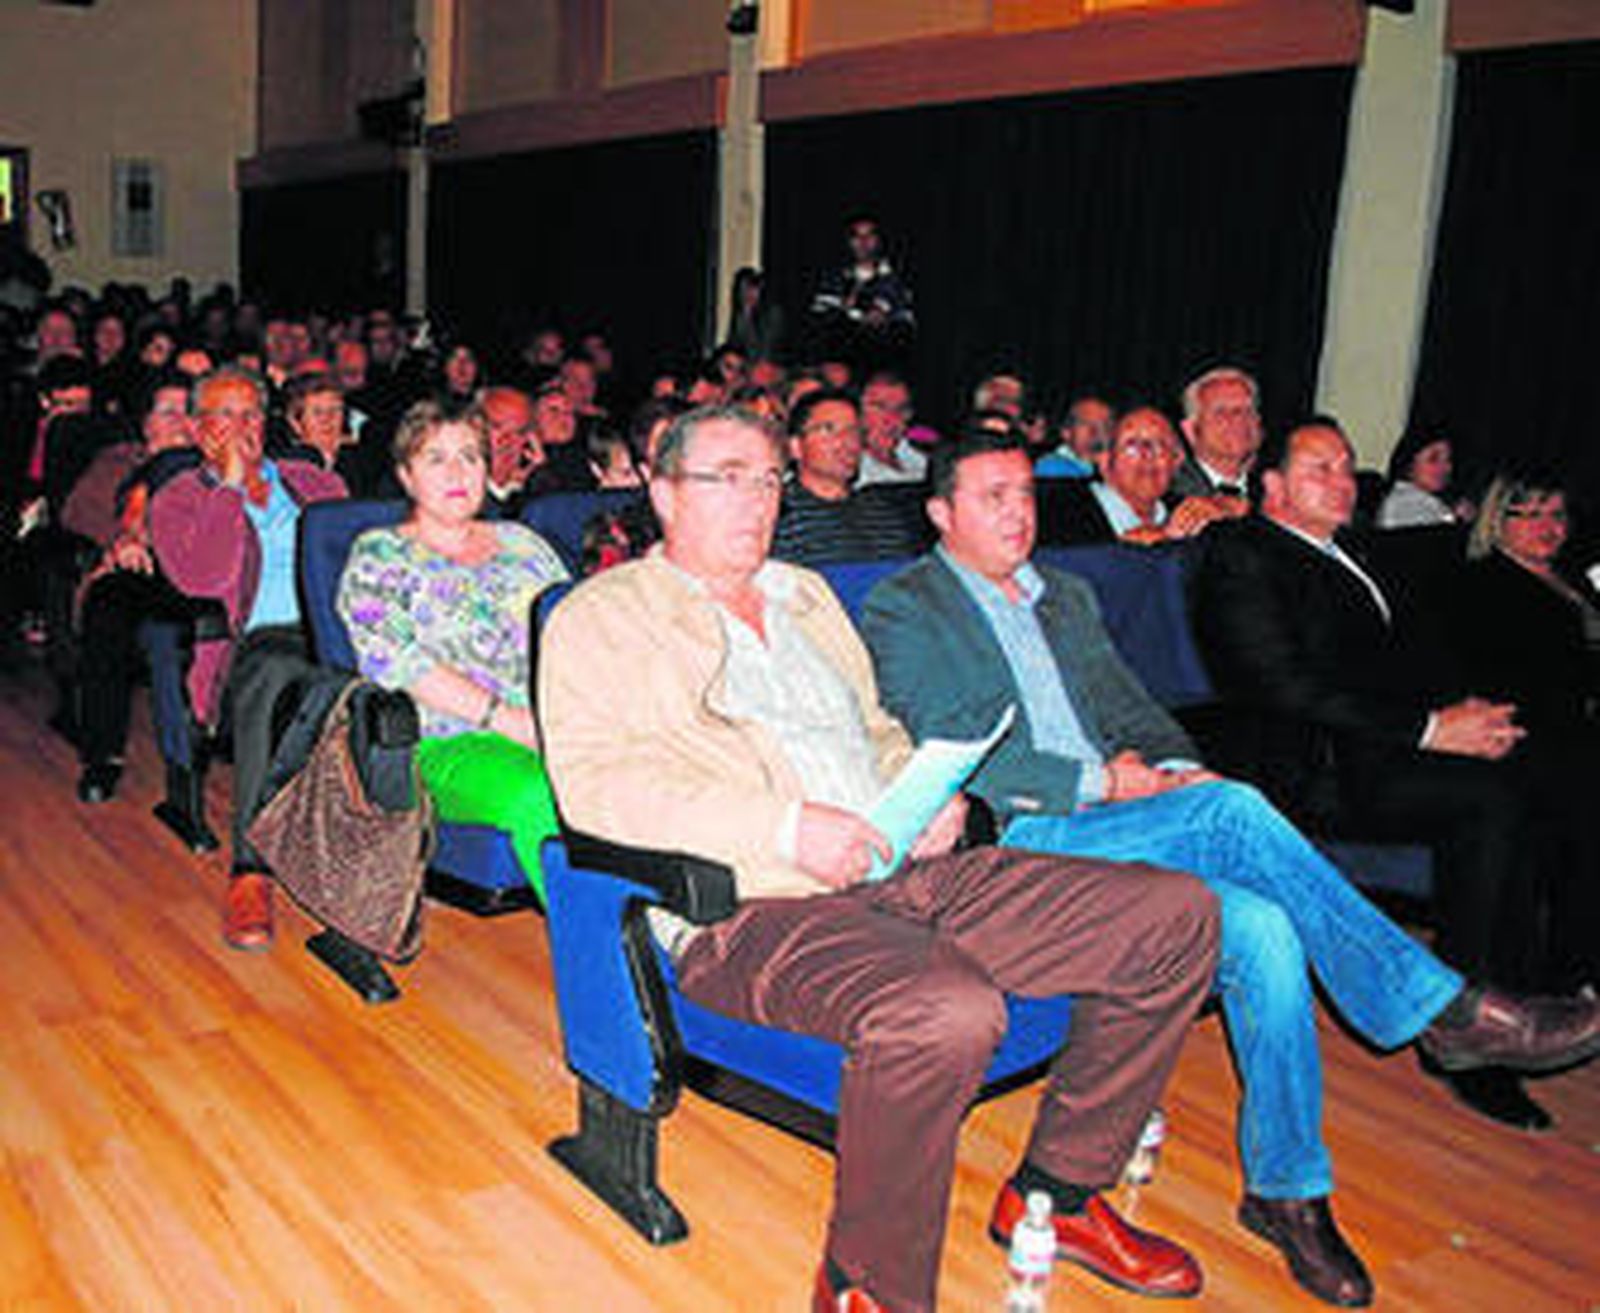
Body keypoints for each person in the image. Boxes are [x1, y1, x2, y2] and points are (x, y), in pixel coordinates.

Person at [859, 426, 1600, 1308]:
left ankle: (1287, 1189)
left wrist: (1178, 767)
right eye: (993, 497)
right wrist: (1113, 782)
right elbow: (962, 752)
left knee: (1264, 925)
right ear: (941, 513)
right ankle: (1438, 1008)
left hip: (1119, 817)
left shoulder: (1063, 594)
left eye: (1025, 493)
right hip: (1020, 834)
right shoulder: (906, 606)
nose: (1019, 512)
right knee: (1233, 809)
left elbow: (1136, 709)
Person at [539, 403, 1221, 1313]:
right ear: (662, 493)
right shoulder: (600, 616)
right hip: (751, 905)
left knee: (1175, 913)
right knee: (949, 1007)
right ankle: (867, 1286)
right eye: (727, 478)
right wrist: (785, 827)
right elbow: (598, 789)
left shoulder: (805, 595)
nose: (757, 501)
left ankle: (1061, 1191)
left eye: (770, 480)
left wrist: (925, 793)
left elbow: (876, 730)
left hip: (903, 865)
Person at [1191, 420, 1596, 1129]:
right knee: (1492, 799)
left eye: (1347, 467)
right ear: (1273, 485)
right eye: (1320, 468)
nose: (1343, 481)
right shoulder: (1243, 552)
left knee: (1540, 771)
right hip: (1313, 763)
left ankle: (1537, 985)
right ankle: (1466, 1036)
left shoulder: (1358, 551)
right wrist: (1432, 729)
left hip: (1383, 744)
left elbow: (1420, 649)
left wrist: (1466, 713)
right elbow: (1279, 685)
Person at [337, 399, 569, 904]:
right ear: (406, 476)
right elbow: (396, 660)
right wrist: (509, 721)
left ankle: (691, 920)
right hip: (447, 738)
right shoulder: (380, 553)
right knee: (540, 793)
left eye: (470, 456)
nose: (457, 472)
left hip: (554, 722)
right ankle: (611, 941)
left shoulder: (523, 543)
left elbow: (571, 625)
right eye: (436, 458)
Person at [149, 364, 346, 951]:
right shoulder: (179, 498)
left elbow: (356, 554)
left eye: (251, 415)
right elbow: (203, 578)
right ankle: (250, 871)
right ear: (196, 429)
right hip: (248, 650)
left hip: (328, 638)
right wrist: (230, 490)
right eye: (225, 416)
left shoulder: (314, 482)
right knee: (276, 668)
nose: (241, 429)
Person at [1456, 468, 1599, 993]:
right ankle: (1569, 974)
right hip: (1531, 734)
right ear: (1499, 520)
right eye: (1531, 514)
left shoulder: (1572, 578)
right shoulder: (1487, 585)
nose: (1549, 527)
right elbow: (1527, 683)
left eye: (1557, 514)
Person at [1038, 407, 1244, 548]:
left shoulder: (1186, 511)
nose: (1147, 455)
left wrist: (1227, 509)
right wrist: (1160, 538)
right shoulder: (1056, 506)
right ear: (1105, 462)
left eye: (1160, 445)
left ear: (1176, 461)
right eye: (1132, 445)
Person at [770, 388, 928, 567]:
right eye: (829, 429)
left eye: (854, 431)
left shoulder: (884, 511)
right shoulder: (779, 515)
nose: (847, 441)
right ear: (796, 447)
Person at [808, 215, 915, 372]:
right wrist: (844, 309)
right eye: (856, 236)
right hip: (839, 362)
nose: (863, 242)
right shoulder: (834, 279)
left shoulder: (898, 280)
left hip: (882, 363)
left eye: (870, 235)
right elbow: (818, 319)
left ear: (879, 240)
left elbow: (907, 324)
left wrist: (885, 319)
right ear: (848, 242)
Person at [1172, 365, 1261, 503]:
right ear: (1190, 430)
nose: (1237, 420)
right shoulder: (1167, 495)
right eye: (1221, 412)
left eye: (1246, 411)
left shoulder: (1275, 494)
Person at [1377, 430, 1463, 529]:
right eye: (1433, 459)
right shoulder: (1404, 505)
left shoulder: (1427, 500)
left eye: (1448, 459)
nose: (1447, 468)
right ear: (1409, 465)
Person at [855, 371, 926, 487]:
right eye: (880, 407)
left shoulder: (920, 457)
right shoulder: (851, 470)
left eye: (901, 409)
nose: (892, 418)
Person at [1034, 395, 1114, 478]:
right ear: (1066, 432)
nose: (1097, 431)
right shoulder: (1052, 467)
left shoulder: (1111, 465)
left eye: (1104, 425)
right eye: (1087, 424)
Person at [725, 265, 785, 362]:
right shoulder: (740, 314)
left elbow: (763, 352)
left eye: (754, 289)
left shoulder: (771, 313)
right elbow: (734, 345)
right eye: (745, 290)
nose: (750, 294)